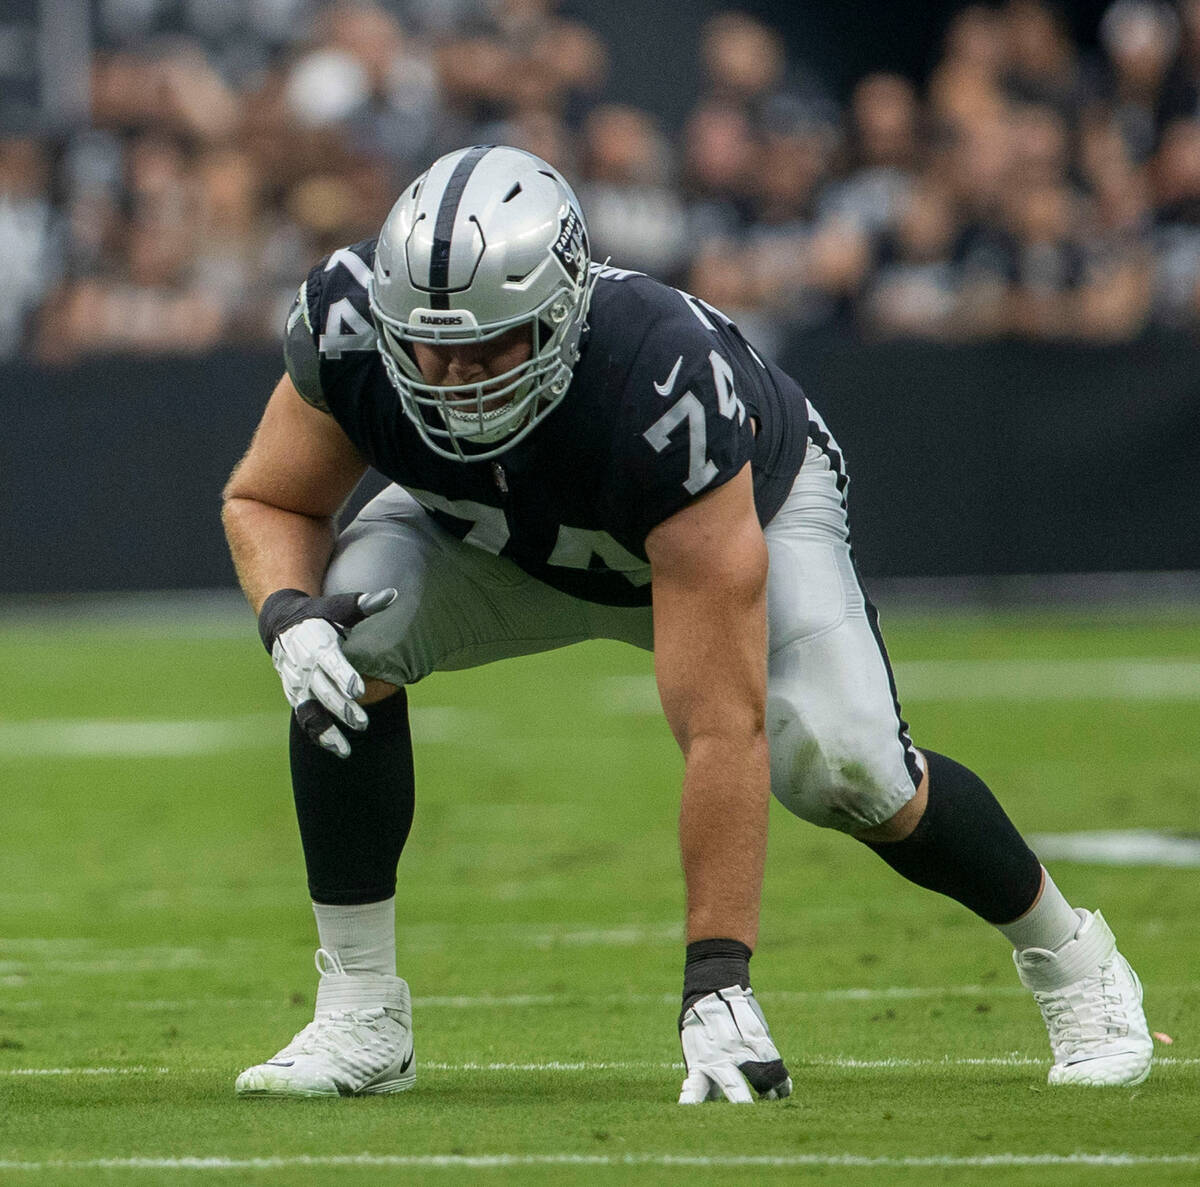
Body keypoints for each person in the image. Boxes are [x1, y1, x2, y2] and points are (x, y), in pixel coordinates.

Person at [221, 144, 1153, 1101]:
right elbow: (269, 500)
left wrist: (718, 978)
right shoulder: (348, 325)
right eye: (431, 346)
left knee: (843, 763)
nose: (456, 378)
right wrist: (288, 617)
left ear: (563, 312)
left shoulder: (662, 383)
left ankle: (1075, 962)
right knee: (344, 641)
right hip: (500, 535)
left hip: (740, 509)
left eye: (493, 345)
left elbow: (721, 727)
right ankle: (362, 1015)